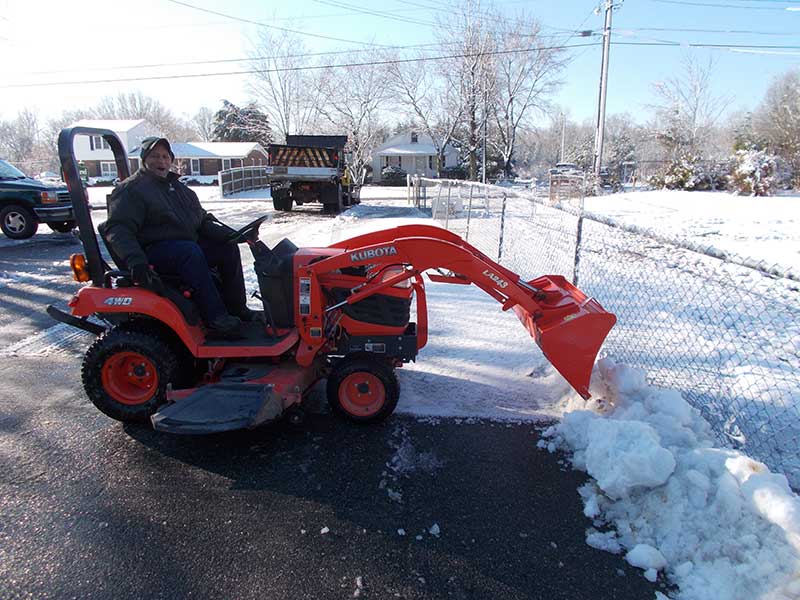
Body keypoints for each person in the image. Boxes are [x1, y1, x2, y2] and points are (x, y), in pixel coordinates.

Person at [99, 136, 258, 338]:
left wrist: (232, 236)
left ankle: (237, 309)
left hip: (182, 247)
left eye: (165, 156)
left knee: (226, 249)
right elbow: (118, 229)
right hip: (152, 252)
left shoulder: (179, 189)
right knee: (189, 252)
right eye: (155, 156)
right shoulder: (131, 190)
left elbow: (202, 221)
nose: (161, 161)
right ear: (144, 159)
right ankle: (217, 319)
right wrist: (135, 261)